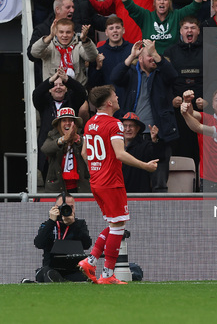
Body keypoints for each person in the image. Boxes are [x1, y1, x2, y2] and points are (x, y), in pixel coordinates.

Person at [78, 85, 158, 285]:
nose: (118, 96)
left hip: (97, 182)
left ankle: (93, 263)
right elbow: (120, 154)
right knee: (118, 225)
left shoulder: (89, 124)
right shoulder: (114, 124)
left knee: (114, 224)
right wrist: (145, 166)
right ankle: (105, 272)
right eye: (115, 95)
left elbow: (84, 154)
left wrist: (96, 171)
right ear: (108, 102)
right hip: (111, 182)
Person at [111, 39, 178, 191]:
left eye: (155, 54)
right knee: (133, 178)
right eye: (149, 55)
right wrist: (131, 56)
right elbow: (115, 77)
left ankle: (158, 213)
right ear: (140, 58)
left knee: (159, 182)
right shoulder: (131, 74)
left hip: (159, 135)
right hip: (133, 135)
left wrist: (154, 53)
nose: (153, 58)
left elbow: (173, 76)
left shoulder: (162, 73)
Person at [119, 0, 203, 55]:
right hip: (150, 61)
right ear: (155, 3)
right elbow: (128, 4)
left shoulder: (177, 15)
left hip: (171, 61)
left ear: (169, 3)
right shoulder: (146, 16)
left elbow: (195, 6)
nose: (162, 2)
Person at [32, 68, 88, 177]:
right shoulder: (44, 103)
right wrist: (50, 80)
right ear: (49, 89)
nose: (58, 87)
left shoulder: (72, 100)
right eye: (54, 85)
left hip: (70, 150)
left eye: (61, 85)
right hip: (49, 149)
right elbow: (36, 94)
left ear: (66, 88)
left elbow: (81, 92)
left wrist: (67, 80)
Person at [166, 16, 203, 171]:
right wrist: (171, 100)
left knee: (203, 149)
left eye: (193, 27)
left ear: (198, 31)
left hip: (202, 108)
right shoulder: (170, 52)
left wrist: (207, 100)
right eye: (186, 28)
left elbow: (216, 78)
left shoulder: (209, 50)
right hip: (179, 110)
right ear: (180, 31)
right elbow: (165, 82)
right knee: (182, 148)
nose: (189, 31)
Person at [181, 89, 217, 192]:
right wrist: (186, 103)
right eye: (216, 100)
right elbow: (192, 113)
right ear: (213, 105)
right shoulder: (207, 119)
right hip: (209, 181)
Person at [33, 193, 93, 283]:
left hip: (73, 269)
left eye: (71, 207)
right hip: (51, 268)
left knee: (85, 278)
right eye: (63, 207)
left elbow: (87, 244)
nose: (67, 209)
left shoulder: (79, 224)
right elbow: (39, 243)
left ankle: (59, 281)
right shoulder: (48, 225)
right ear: (56, 208)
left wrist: (73, 225)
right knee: (47, 273)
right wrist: (51, 221)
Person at [28, 0, 80, 85]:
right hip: (52, 85)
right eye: (68, 7)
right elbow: (31, 55)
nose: (72, 10)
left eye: (73, 7)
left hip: (75, 84)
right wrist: (50, 36)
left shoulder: (78, 28)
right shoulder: (42, 29)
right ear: (57, 10)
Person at [30, 18, 98, 86]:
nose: (64, 35)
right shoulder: (49, 46)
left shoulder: (79, 46)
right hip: (53, 90)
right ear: (56, 33)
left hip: (76, 91)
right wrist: (50, 36)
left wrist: (84, 40)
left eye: (68, 32)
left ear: (73, 33)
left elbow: (92, 57)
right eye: (61, 32)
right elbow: (34, 53)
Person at [41, 107, 91, 194]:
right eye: (64, 120)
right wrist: (63, 139)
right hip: (57, 188)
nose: (67, 123)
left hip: (80, 187)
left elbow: (90, 150)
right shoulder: (52, 136)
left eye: (70, 121)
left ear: (75, 124)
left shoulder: (82, 137)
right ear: (59, 124)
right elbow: (45, 149)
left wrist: (77, 139)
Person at [121, 112, 163, 193]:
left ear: (138, 128)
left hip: (139, 194)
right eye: (125, 126)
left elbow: (158, 157)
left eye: (131, 126)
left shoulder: (145, 145)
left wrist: (155, 140)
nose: (128, 129)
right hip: (119, 193)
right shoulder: (116, 144)